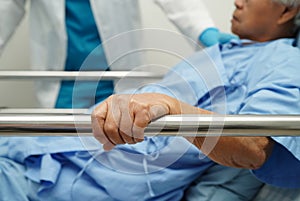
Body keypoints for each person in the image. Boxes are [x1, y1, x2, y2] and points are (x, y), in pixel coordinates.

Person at [0, 1, 263, 201]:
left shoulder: (270, 62)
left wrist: (204, 30)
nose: (239, 3)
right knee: (45, 153)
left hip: (118, 85)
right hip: (62, 86)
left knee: (108, 157)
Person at [91, 0, 300, 191]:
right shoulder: (224, 50)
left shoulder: (285, 61)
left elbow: (255, 147)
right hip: (92, 138)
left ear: (286, 11)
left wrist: (176, 110)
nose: (237, 2)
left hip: (109, 169)